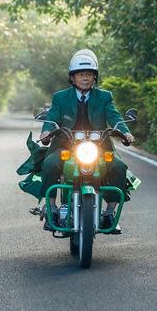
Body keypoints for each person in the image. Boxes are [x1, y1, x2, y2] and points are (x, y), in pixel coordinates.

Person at [39, 49, 134, 231]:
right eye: (81, 75)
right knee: (49, 163)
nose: (85, 78)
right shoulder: (60, 97)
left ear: (94, 77)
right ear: (72, 78)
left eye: (89, 75)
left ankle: (109, 212)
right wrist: (46, 132)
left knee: (120, 167)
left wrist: (125, 132)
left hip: (99, 147)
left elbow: (115, 117)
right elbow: (52, 118)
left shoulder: (105, 97)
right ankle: (51, 208)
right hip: (66, 146)